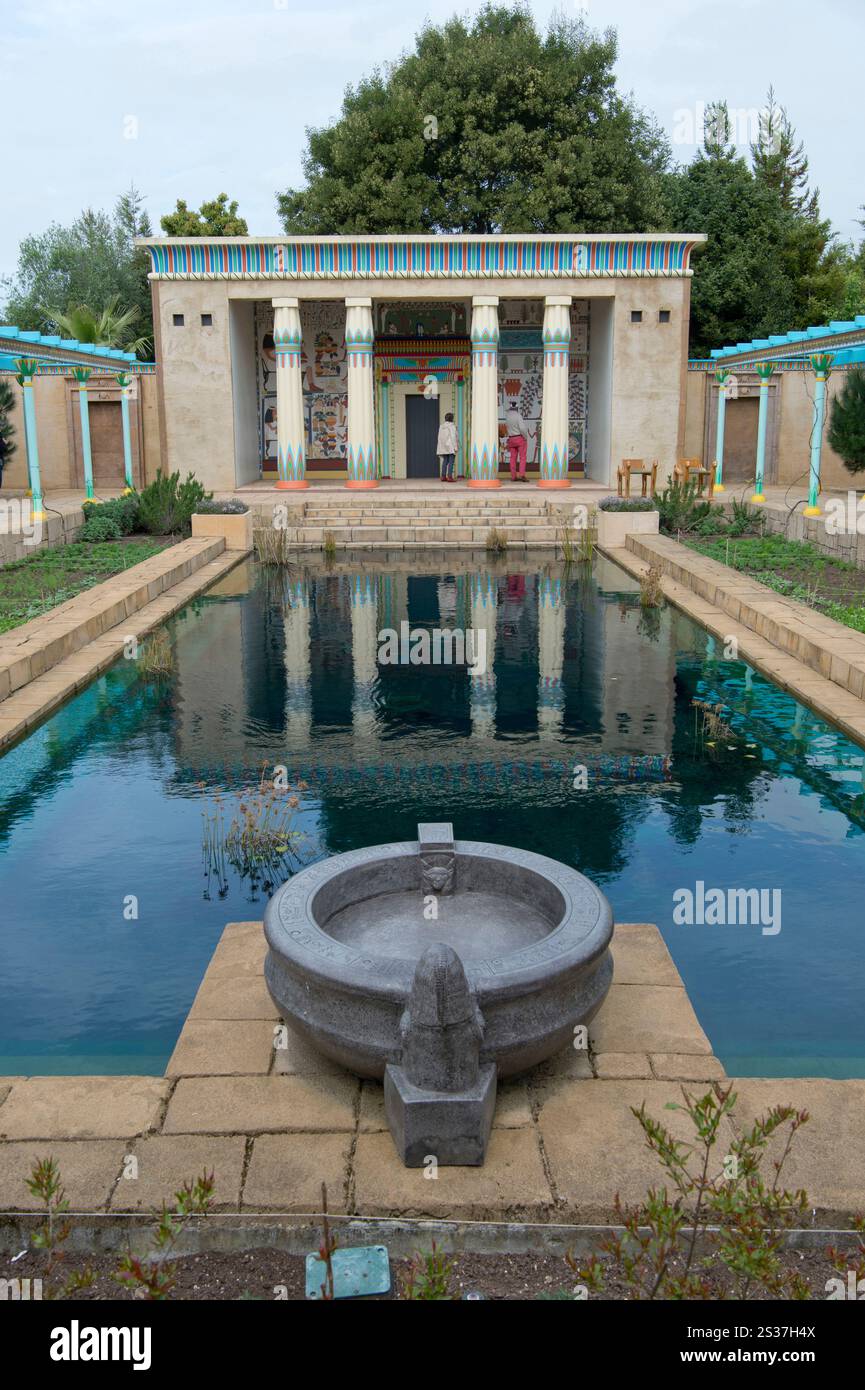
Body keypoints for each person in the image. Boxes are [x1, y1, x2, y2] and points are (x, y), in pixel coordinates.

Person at [505, 405, 528, 481]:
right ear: (517, 408)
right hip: (519, 438)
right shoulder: (518, 416)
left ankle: (513, 476)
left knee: (512, 458)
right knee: (522, 457)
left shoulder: (507, 417)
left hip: (511, 438)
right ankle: (522, 475)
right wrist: (525, 437)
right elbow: (522, 428)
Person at [436, 411, 459, 482]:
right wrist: (455, 447)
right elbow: (453, 437)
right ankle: (449, 477)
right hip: (451, 447)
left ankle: (443, 476)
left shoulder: (441, 427)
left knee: (445, 461)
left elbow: (439, 437)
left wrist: (440, 447)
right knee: (451, 462)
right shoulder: (452, 426)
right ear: (452, 418)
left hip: (444, 447)